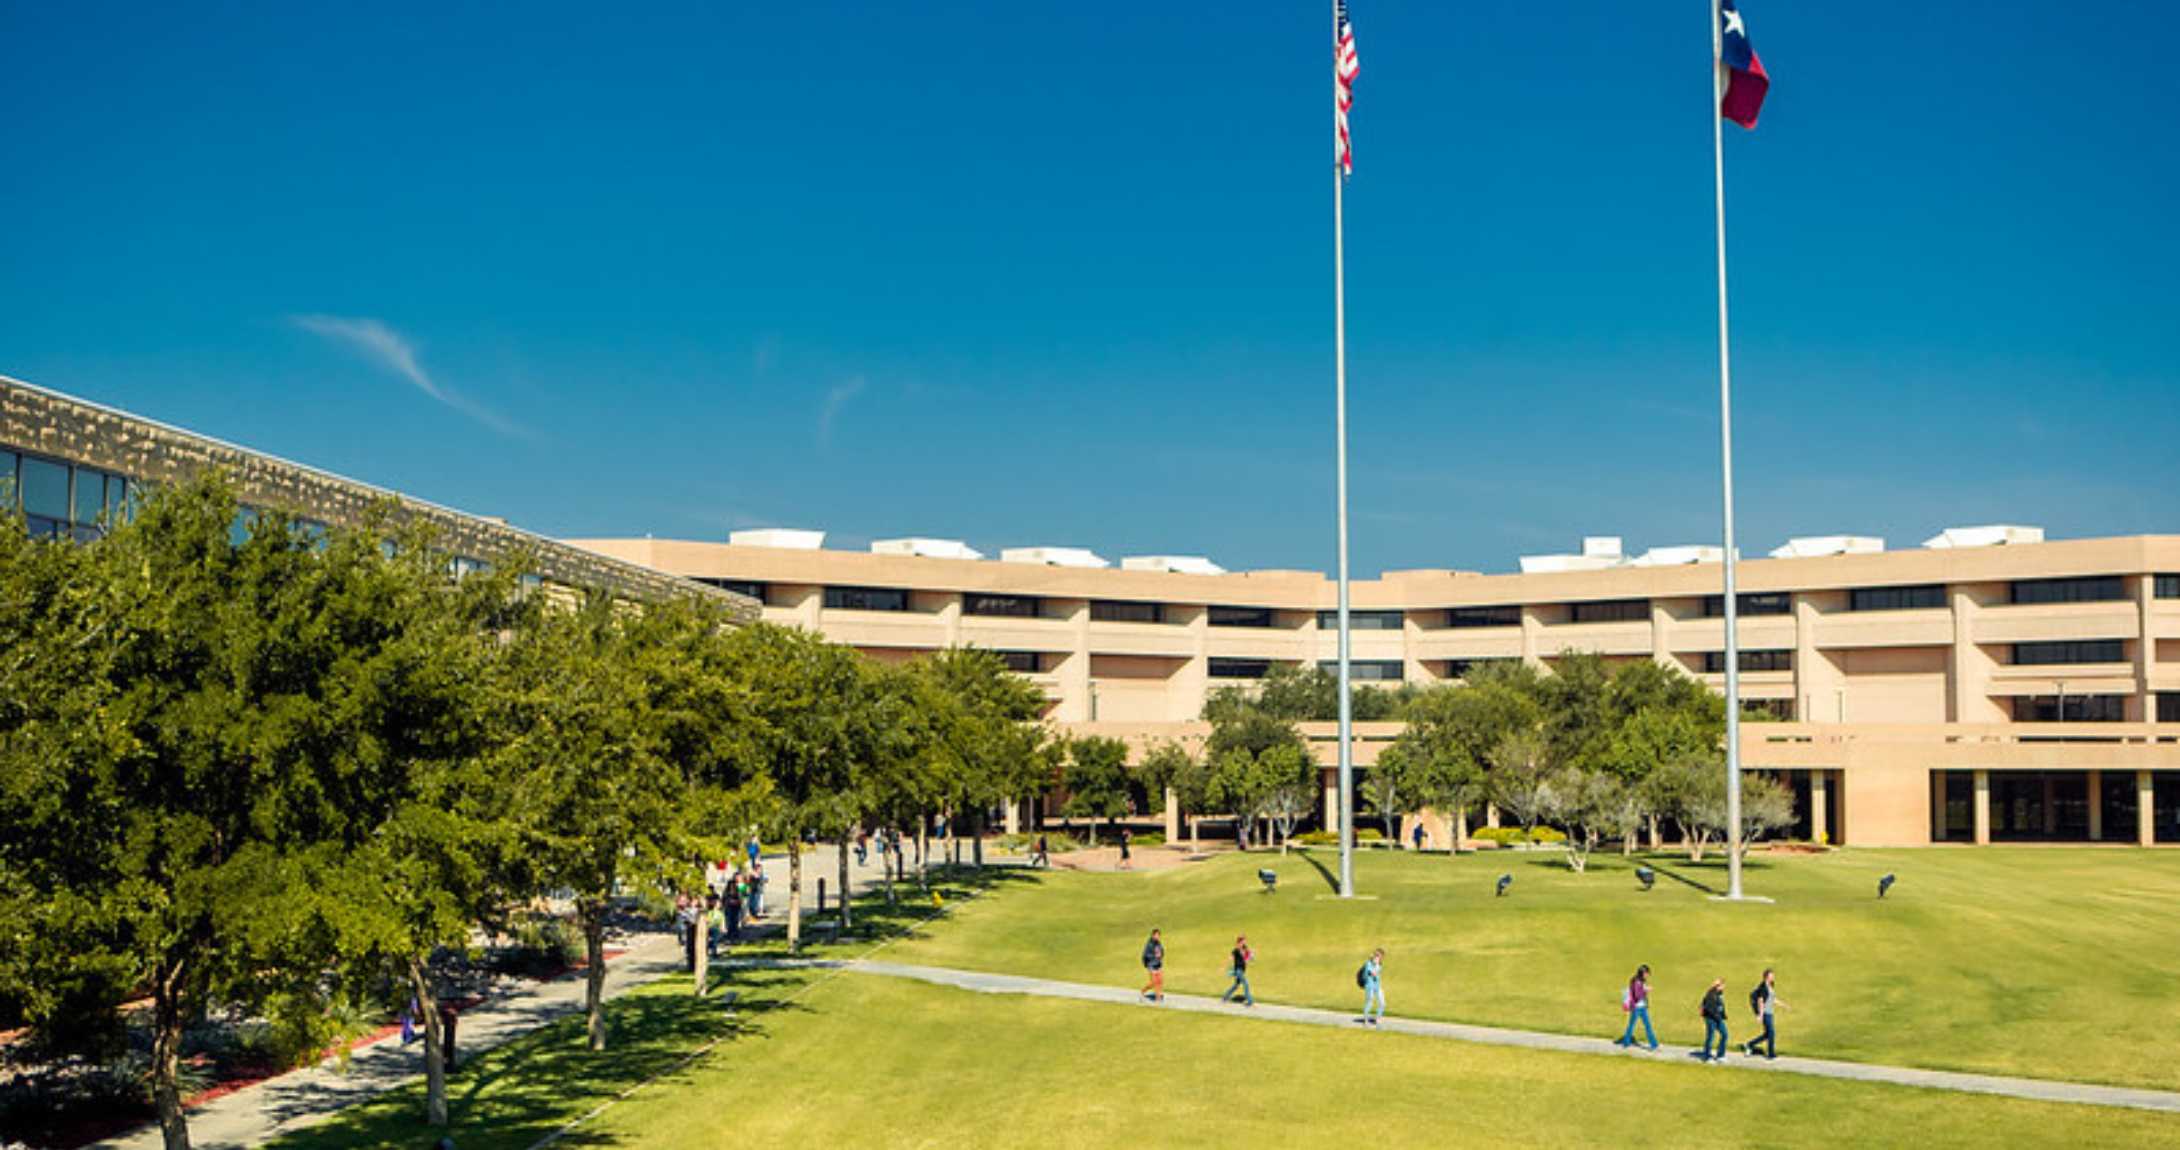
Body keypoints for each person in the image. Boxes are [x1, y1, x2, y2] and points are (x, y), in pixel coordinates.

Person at [1743, 968, 1786, 1059]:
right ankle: (1771, 1054)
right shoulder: (1763, 987)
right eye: (1771, 976)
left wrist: (1783, 1005)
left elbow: (1772, 999)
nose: (1773, 977)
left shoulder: (1770, 986)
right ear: (1766, 977)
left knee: (1767, 1034)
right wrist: (1760, 1015)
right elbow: (1760, 1001)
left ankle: (1749, 1044)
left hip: (1770, 1012)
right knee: (1771, 1033)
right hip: (1766, 1013)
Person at [1616, 964, 1658, 1051]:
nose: (1647, 975)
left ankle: (1654, 1044)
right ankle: (1626, 1042)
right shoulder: (1636, 982)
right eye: (1646, 973)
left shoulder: (1640, 981)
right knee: (1632, 1025)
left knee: (1647, 1025)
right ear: (1642, 973)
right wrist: (1646, 990)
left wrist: (1644, 989)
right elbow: (1637, 996)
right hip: (1636, 1008)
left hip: (1642, 1007)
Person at [1699, 977, 1729, 1063]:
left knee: (1725, 1034)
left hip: (1718, 1018)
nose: (1723, 988)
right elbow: (1710, 1008)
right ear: (1718, 986)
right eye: (1722, 986)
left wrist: (1723, 1015)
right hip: (1711, 1019)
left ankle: (1720, 1055)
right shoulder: (1710, 994)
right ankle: (1707, 1056)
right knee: (1710, 1037)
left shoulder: (1719, 994)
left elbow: (1720, 1006)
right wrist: (1718, 1017)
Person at [1222, 935, 1255, 1006]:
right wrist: (1227, 967)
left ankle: (1225, 997)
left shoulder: (1245, 948)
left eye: (1244, 942)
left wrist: (1251, 956)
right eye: (1242, 942)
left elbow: (1250, 955)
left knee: (1236, 985)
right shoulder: (1235, 951)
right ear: (1238, 942)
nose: (1244, 943)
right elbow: (1230, 958)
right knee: (1246, 984)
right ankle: (1250, 1001)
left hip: (1242, 970)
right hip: (1238, 971)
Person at [1358, 948, 1385, 1026]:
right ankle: (1365, 1019)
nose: (1379, 958)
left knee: (1382, 1003)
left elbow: (1377, 972)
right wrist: (1375, 964)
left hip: (1377, 986)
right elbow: (1373, 973)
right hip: (1369, 987)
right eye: (1378, 956)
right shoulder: (1368, 964)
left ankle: (1378, 1018)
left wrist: (1377, 964)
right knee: (1369, 1002)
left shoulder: (1379, 964)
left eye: (1381, 957)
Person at [1140, 929, 1166, 1003]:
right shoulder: (1149, 944)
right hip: (1151, 965)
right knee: (1154, 982)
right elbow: (1145, 955)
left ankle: (1158, 997)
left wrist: (1161, 955)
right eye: (1156, 935)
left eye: (1159, 935)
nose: (1158, 937)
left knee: (1160, 980)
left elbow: (1161, 950)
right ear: (1153, 935)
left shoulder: (1158, 943)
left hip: (1158, 964)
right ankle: (1143, 991)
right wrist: (1154, 957)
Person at [723, 876, 744, 943]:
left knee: (735, 921)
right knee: (729, 921)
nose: (732, 886)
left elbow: (740, 899)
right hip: (728, 908)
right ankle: (729, 933)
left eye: (733, 884)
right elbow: (724, 900)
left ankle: (735, 932)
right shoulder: (726, 892)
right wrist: (730, 901)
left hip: (736, 908)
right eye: (731, 885)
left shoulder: (737, 891)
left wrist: (737, 902)